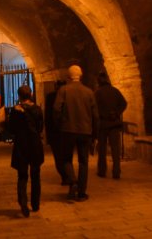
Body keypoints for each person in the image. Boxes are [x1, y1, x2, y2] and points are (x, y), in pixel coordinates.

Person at [53, 64, 97, 201]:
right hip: (85, 130)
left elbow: (56, 109)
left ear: (69, 76)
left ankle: (72, 181)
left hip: (67, 130)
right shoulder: (89, 92)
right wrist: (94, 133)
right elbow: (95, 115)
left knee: (66, 159)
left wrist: (59, 125)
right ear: (81, 75)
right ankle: (82, 192)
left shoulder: (64, 90)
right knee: (83, 161)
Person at [8, 84, 44, 217]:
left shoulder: (15, 111)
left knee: (22, 176)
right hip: (35, 144)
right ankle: (35, 203)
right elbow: (40, 127)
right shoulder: (37, 109)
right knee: (36, 175)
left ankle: (23, 202)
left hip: (21, 145)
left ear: (19, 96)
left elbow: (11, 129)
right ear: (31, 94)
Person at [94, 72, 128, 180]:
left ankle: (102, 171)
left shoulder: (98, 93)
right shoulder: (115, 91)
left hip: (103, 124)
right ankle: (116, 172)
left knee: (102, 149)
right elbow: (124, 103)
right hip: (114, 124)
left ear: (99, 81)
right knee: (115, 149)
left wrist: (101, 115)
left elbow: (94, 107)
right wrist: (117, 113)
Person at [44, 80, 69, 185]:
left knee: (58, 156)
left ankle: (65, 176)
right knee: (67, 156)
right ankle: (68, 175)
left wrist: (48, 134)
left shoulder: (50, 97)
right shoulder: (68, 96)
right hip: (67, 131)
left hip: (55, 132)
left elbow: (47, 117)